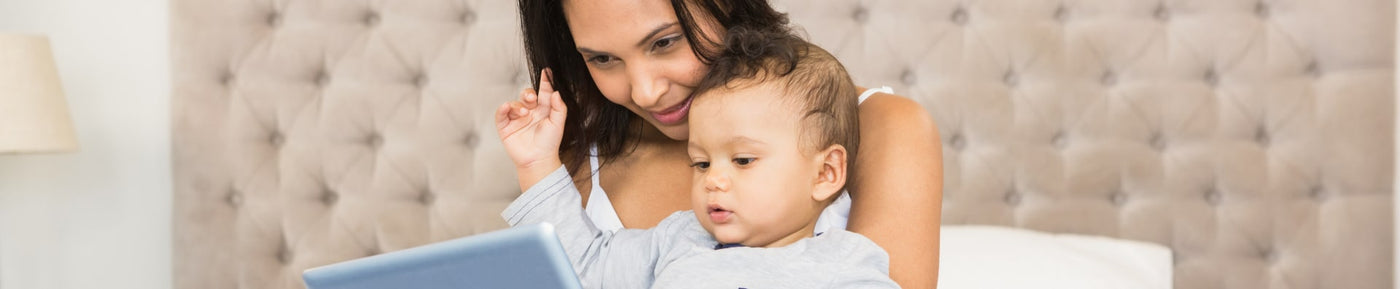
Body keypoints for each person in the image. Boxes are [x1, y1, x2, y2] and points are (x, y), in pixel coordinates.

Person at [511, 1, 943, 287]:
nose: (644, 92)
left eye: (665, 42)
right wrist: (536, 166)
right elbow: (580, 265)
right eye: (602, 58)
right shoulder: (679, 235)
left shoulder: (847, 259)